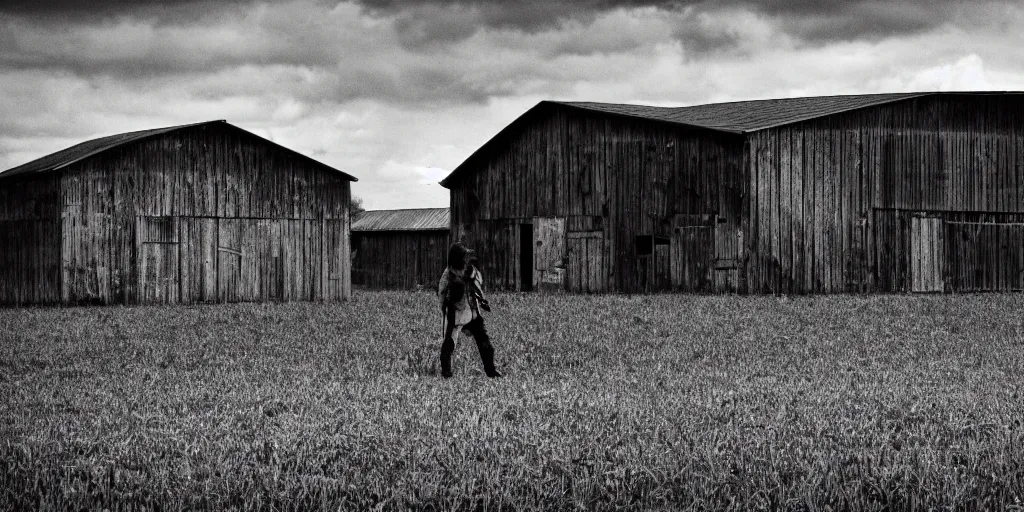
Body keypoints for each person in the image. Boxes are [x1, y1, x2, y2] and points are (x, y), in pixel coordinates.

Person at [438, 242, 502, 379]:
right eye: (463, 256)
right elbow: (442, 297)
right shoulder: (448, 276)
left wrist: (481, 298)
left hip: (471, 310)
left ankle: (491, 371)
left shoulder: (468, 269)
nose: (466, 259)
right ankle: (446, 374)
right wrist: (448, 308)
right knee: (449, 343)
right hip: (455, 314)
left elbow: (477, 284)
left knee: (484, 342)